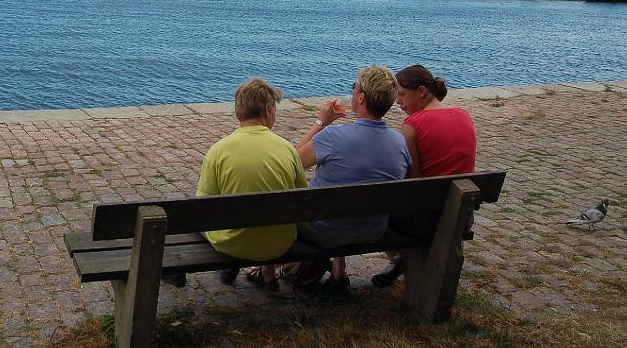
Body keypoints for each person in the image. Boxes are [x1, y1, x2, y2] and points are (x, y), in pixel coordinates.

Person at [268, 65, 412, 291]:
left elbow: (289, 164)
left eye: (355, 87)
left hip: (325, 231)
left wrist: (321, 123)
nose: (352, 91)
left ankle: (267, 271)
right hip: (373, 229)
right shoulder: (399, 142)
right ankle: (338, 270)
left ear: (361, 98)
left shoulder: (332, 137)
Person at [172, 77, 307, 289]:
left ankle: (180, 270)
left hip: (233, 245)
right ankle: (267, 274)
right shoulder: (287, 149)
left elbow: (203, 207)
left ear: (238, 111)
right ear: (268, 110)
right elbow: (302, 197)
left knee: (191, 215)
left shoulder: (218, 151)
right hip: (279, 244)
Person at [371, 64, 477, 287]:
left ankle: (398, 259)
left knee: (377, 210)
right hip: (461, 216)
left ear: (421, 91)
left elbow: (412, 179)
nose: (398, 102)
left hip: (426, 220)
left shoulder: (412, 124)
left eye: (402, 94)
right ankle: (402, 262)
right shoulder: (463, 115)